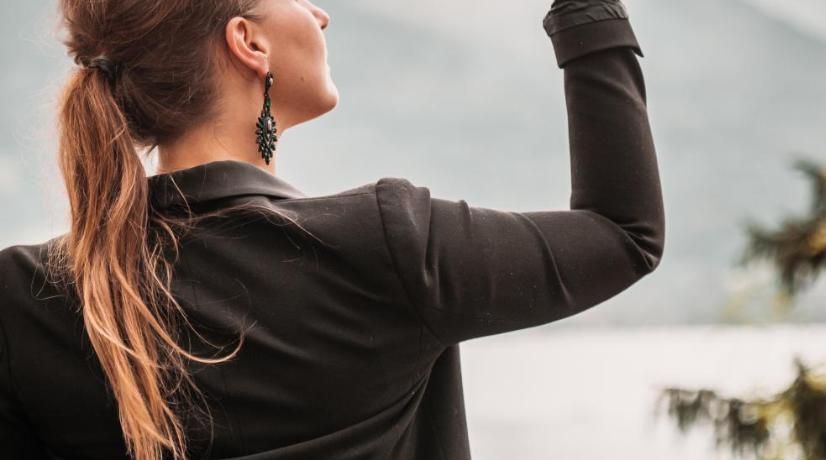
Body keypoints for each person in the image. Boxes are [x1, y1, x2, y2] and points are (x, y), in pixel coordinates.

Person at [0, 0, 665, 458]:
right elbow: (623, 233)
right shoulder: (384, 246)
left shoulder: (23, 298)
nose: (320, 14)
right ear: (248, 42)